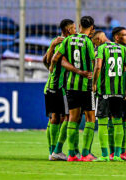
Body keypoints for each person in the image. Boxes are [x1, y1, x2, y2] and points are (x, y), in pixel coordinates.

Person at [51, 16, 96, 162]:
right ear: (91, 27)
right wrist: (94, 81)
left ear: (79, 25)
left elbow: (56, 58)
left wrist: (52, 68)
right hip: (86, 86)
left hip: (70, 85)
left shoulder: (68, 40)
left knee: (72, 118)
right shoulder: (88, 42)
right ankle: (84, 154)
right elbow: (95, 63)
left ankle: (71, 154)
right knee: (90, 118)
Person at [92, 30, 126, 162]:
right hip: (119, 91)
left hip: (104, 91)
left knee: (103, 122)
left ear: (98, 39)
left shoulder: (101, 48)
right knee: (118, 122)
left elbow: (98, 67)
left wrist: (94, 83)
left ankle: (104, 155)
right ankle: (117, 155)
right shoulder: (122, 49)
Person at [42, 19, 76, 161]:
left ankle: (52, 152)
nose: (76, 30)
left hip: (50, 85)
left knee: (54, 118)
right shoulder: (67, 43)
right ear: (68, 30)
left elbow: (46, 61)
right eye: (74, 28)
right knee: (66, 117)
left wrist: (51, 48)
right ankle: (57, 150)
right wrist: (78, 71)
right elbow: (56, 62)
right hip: (60, 86)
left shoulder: (55, 41)